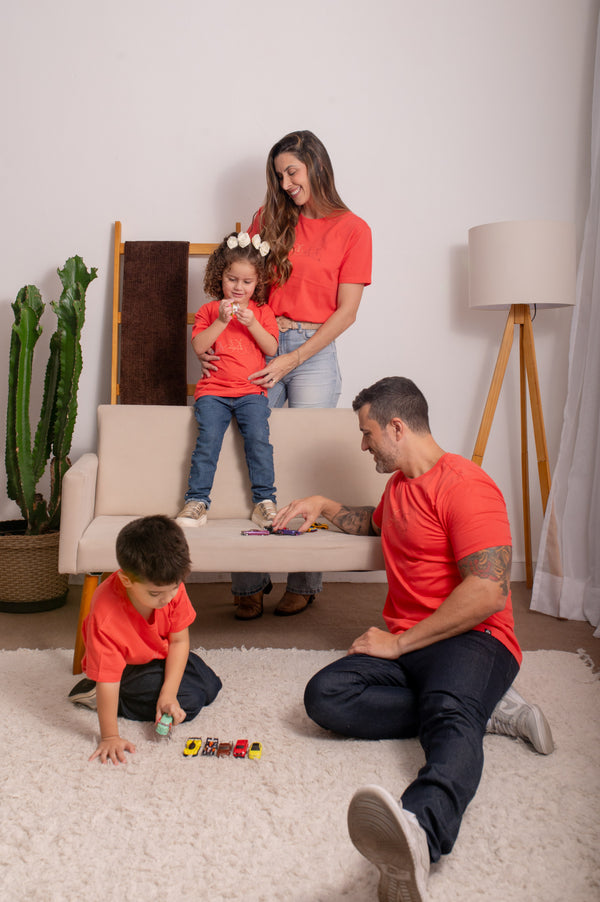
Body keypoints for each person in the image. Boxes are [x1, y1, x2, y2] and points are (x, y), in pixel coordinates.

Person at [271, 376, 554, 902]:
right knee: (325, 697)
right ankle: (484, 709)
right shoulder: (399, 487)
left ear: (396, 428)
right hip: (408, 642)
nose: (362, 444)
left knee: (449, 717)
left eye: (367, 432)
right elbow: (371, 524)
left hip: (473, 639)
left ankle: (421, 833)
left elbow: (489, 591)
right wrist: (323, 504)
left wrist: (400, 645)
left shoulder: (467, 486)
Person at [202, 130, 372, 619]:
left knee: (304, 459)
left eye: (292, 172)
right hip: (262, 340)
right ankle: (249, 580)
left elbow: (347, 311)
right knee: (247, 450)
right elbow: (240, 288)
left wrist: (295, 360)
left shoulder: (353, 229)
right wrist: (215, 346)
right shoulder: (268, 218)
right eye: (279, 175)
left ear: (317, 166)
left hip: (315, 350)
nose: (286, 182)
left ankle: (304, 579)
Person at [68, 515, 222, 764]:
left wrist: (168, 694)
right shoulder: (106, 614)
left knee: (211, 685)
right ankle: (96, 695)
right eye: (156, 593)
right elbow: (109, 678)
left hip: (156, 655)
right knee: (191, 701)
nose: (169, 598)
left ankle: (163, 692)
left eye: (175, 587)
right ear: (126, 580)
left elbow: (179, 642)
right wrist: (109, 736)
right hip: (123, 671)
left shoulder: (170, 587)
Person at [176, 231, 279, 530]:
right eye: (232, 279)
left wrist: (254, 324)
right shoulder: (210, 311)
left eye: (247, 282)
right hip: (214, 394)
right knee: (207, 443)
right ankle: (197, 501)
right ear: (220, 277)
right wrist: (222, 320)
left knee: (259, 442)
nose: (239, 287)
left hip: (251, 393)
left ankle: (264, 502)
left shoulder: (263, 312)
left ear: (257, 283)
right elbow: (198, 346)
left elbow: (271, 349)